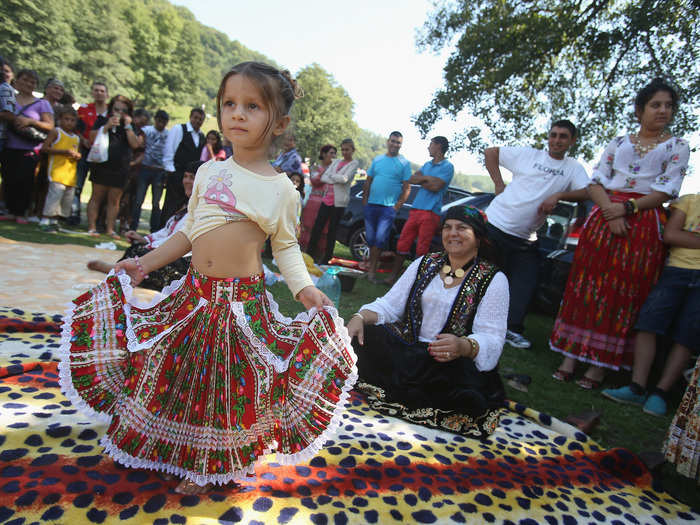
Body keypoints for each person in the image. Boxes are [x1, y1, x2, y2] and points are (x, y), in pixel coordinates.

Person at [59, 61, 357, 495]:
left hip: (240, 306)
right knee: (165, 368)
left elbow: (286, 247)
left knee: (222, 387)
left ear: (281, 123)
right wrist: (145, 263)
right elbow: (186, 231)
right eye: (229, 103)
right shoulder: (209, 172)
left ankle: (206, 464)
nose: (237, 113)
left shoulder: (283, 190)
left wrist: (305, 287)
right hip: (193, 295)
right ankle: (140, 439)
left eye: (252, 106)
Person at [551, 79, 690, 389]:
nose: (663, 110)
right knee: (587, 285)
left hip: (642, 220)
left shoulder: (677, 146)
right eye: (656, 105)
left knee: (623, 292)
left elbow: (667, 189)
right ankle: (571, 356)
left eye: (668, 105)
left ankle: (599, 366)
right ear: (640, 110)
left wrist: (627, 210)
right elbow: (596, 181)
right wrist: (609, 211)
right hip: (604, 215)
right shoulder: (618, 142)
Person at [346, 205, 508, 438]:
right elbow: (391, 305)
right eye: (448, 227)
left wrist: (463, 346)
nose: (453, 233)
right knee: (363, 335)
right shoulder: (425, 262)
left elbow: (492, 337)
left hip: (449, 362)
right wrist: (360, 317)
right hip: (408, 351)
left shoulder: (494, 279)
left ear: (479, 237)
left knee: (466, 399)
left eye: (462, 228)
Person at [483, 120, 590, 349]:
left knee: (526, 282)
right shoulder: (528, 155)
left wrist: (559, 195)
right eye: (553, 135)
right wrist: (499, 184)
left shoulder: (573, 168)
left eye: (563, 136)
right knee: (481, 276)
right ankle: (463, 318)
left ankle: (511, 330)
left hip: (526, 239)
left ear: (571, 141)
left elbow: (587, 191)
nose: (556, 140)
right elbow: (491, 152)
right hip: (495, 225)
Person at [602, 192, 699, 415]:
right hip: (676, 270)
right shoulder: (689, 200)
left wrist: (687, 237)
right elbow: (671, 235)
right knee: (648, 323)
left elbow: (678, 235)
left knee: (688, 335)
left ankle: (660, 393)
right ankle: (637, 387)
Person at [86, 161, 203, 290]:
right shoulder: (186, 205)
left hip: (183, 257)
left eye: (192, 178)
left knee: (146, 255)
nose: (187, 181)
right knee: (137, 248)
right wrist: (144, 239)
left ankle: (120, 272)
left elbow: (180, 238)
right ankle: (121, 271)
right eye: (186, 176)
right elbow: (166, 231)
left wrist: (152, 247)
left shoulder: (201, 209)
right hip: (169, 247)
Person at [388, 136, 455, 283]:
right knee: (403, 242)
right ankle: (393, 277)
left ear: (438, 146)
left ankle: (414, 281)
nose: (428, 147)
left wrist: (424, 179)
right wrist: (428, 179)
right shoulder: (427, 164)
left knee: (422, 248)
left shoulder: (447, 167)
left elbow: (436, 187)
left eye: (431, 144)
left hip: (431, 212)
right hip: (416, 209)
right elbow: (412, 179)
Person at [0, 69, 54, 223]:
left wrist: (31, 121)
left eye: (32, 82)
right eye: (25, 80)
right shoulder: (9, 99)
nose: (28, 84)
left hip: (30, 148)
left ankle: (21, 212)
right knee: (8, 178)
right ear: (16, 81)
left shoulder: (42, 103)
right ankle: (9, 210)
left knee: (25, 180)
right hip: (9, 145)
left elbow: (50, 125)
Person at [85, 95, 142, 237]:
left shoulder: (131, 125)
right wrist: (106, 126)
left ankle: (110, 229)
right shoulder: (103, 120)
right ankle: (92, 227)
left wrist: (128, 126)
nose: (119, 113)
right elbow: (91, 138)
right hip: (102, 165)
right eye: (116, 109)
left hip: (121, 167)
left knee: (114, 200)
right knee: (96, 196)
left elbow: (135, 145)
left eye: (123, 110)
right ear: (111, 108)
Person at [363, 131, 412, 283]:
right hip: (371, 205)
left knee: (379, 240)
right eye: (393, 141)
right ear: (387, 141)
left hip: (388, 209)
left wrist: (397, 206)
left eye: (398, 143)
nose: (395, 144)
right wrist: (365, 200)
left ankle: (371, 272)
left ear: (401, 145)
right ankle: (371, 267)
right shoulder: (377, 160)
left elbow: (407, 188)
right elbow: (368, 180)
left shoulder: (404, 163)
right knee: (370, 239)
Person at [307, 138, 359, 265]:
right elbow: (324, 177)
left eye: (347, 150)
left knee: (332, 231)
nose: (344, 152)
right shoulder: (336, 162)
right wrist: (335, 178)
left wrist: (332, 177)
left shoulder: (354, 164)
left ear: (352, 150)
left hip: (339, 202)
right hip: (327, 199)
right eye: (343, 149)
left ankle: (326, 258)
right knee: (317, 227)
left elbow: (345, 179)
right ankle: (309, 254)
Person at [70, 81, 109, 225]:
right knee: (78, 184)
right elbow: (77, 129)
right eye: (96, 90)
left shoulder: (110, 113)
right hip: (85, 151)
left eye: (102, 90)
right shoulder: (84, 109)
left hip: (102, 155)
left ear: (107, 94)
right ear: (92, 92)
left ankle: (98, 220)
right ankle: (74, 215)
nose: (99, 93)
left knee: (99, 189)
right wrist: (83, 140)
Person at [38, 107, 81, 231]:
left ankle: (54, 220)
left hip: (70, 174)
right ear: (60, 120)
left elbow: (78, 153)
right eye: (66, 119)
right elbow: (45, 148)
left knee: (65, 199)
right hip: (57, 171)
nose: (69, 122)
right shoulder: (56, 132)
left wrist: (77, 155)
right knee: (54, 196)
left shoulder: (76, 138)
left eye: (72, 120)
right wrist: (63, 152)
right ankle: (45, 219)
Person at [160, 107, 205, 227]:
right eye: (195, 118)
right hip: (176, 173)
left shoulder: (201, 136)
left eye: (200, 119)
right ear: (190, 117)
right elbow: (169, 150)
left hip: (192, 177)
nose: (197, 121)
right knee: (170, 204)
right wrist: (172, 172)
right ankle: (163, 229)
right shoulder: (179, 129)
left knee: (184, 206)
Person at [132, 109, 169, 232]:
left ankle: (154, 229)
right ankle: (133, 226)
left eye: (163, 122)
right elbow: (139, 143)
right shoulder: (147, 130)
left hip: (159, 171)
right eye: (159, 121)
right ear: (155, 120)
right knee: (138, 200)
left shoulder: (168, 134)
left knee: (156, 203)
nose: (161, 124)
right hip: (145, 168)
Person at [299, 144, 336, 252]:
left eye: (335, 153)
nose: (334, 156)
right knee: (308, 227)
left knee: (324, 230)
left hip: (328, 204)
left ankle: (318, 255)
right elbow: (315, 181)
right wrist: (326, 171)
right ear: (324, 154)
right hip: (313, 203)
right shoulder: (315, 168)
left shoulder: (336, 170)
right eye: (331, 153)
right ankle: (304, 253)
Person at [118, 108, 149, 232]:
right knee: (120, 198)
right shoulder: (125, 128)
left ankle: (125, 223)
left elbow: (140, 149)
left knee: (130, 199)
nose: (142, 123)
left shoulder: (142, 133)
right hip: (121, 168)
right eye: (141, 119)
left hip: (135, 171)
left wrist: (133, 163)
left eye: (145, 121)